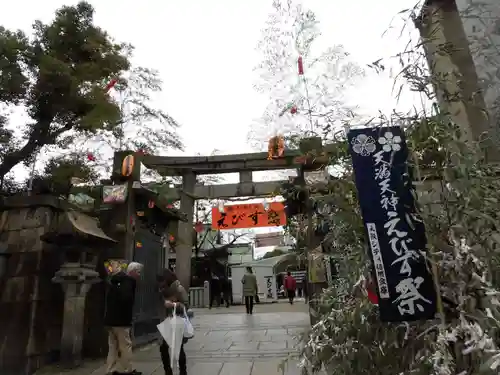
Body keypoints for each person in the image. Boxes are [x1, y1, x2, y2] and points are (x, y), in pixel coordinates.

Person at [104, 261, 143, 375]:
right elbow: (126, 299)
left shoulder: (114, 280)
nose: (139, 275)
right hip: (121, 320)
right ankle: (128, 369)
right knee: (125, 345)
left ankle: (110, 369)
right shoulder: (129, 281)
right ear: (132, 272)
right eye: (138, 272)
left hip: (110, 319)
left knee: (112, 346)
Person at [157, 268, 189, 375]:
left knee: (178, 348)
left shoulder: (179, 289)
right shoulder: (161, 290)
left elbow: (186, 306)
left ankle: (183, 371)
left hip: (177, 321)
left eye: (162, 281)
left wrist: (173, 304)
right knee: (163, 348)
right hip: (165, 322)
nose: (161, 285)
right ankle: (168, 371)